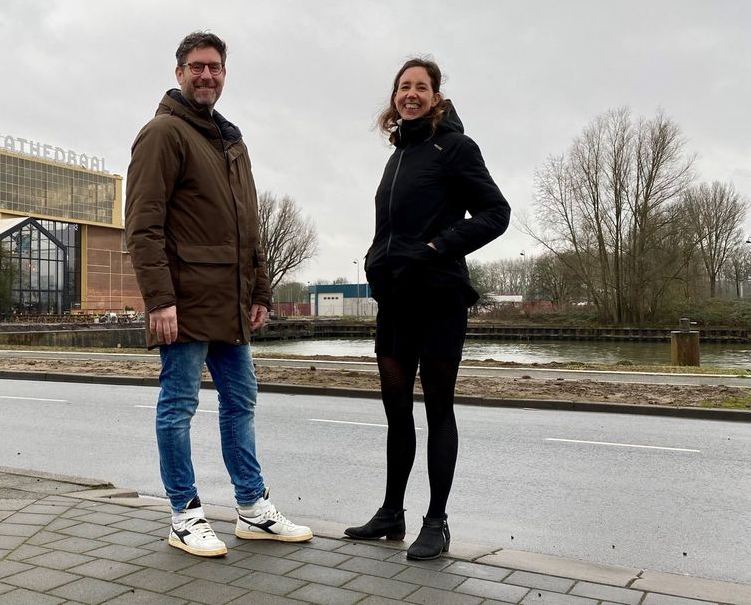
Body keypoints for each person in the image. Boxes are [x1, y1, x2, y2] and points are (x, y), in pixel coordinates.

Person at [125, 31, 313, 558]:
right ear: (179, 72)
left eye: (215, 67)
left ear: (224, 74)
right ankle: (184, 515)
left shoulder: (231, 142)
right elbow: (143, 227)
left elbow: (248, 227)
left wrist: (261, 292)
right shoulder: (163, 133)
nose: (206, 76)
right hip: (183, 302)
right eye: (196, 67)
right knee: (178, 405)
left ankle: (252, 509)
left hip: (230, 303)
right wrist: (159, 300)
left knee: (241, 403)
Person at [345, 58, 510, 560]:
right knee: (397, 410)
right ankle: (391, 513)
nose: (410, 94)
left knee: (438, 408)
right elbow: (390, 228)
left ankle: (435, 521)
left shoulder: (455, 148)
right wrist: (375, 262)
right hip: (395, 300)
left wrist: (439, 248)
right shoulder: (396, 156)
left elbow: (496, 213)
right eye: (403, 87)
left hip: (438, 297)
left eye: (421, 87)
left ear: (436, 97)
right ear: (394, 98)